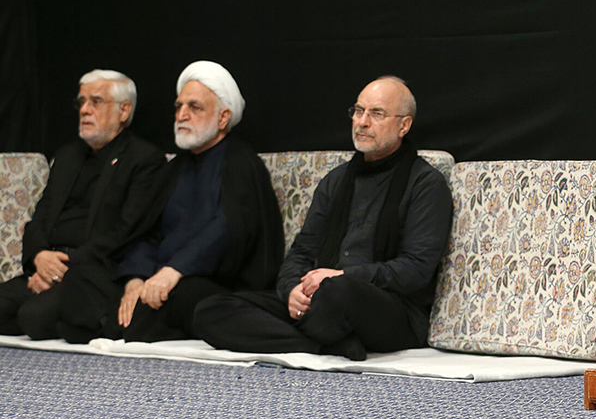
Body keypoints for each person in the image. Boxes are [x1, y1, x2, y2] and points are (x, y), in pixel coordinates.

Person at [193, 76, 453, 360]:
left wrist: (342, 276)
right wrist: (292, 291)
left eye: (377, 113)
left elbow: (415, 269)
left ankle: (308, 332)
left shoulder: (425, 184)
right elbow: (302, 251)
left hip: (386, 307)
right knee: (210, 310)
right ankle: (324, 344)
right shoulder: (336, 180)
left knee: (339, 293)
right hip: (320, 300)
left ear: (404, 125)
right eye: (358, 111)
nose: (362, 122)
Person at [103, 60, 283, 342]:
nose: (182, 115)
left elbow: (228, 230)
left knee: (183, 300)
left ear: (223, 118)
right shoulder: (173, 169)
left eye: (194, 107)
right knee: (104, 291)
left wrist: (175, 270)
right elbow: (147, 233)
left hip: (220, 285)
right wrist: (135, 279)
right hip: (162, 280)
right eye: (179, 107)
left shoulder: (240, 163)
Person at [0, 70, 164, 339]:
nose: (85, 110)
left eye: (96, 101)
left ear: (124, 111)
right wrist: (39, 257)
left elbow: (127, 232)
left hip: (92, 273)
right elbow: (40, 216)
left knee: (33, 317)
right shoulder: (68, 156)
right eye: (82, 102)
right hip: (46, 265)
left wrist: (62, 267)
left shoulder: (144, 159)